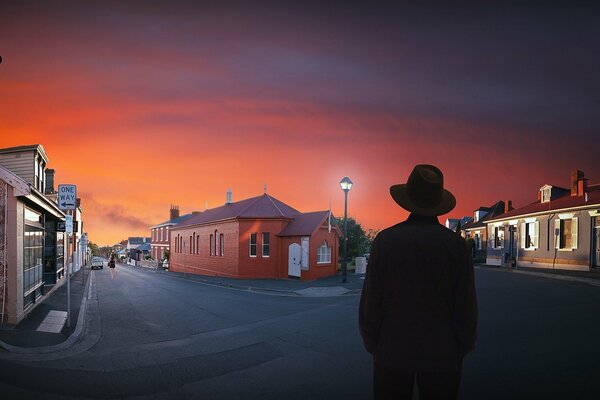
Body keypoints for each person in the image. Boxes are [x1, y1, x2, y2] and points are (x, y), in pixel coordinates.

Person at [359, 164, 478, 400]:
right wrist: (461, 346)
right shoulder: (456, 246)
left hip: (391, 351)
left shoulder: (385, 241)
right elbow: (465, 306)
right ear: (438, 201)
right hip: (442, 355)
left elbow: (371, 301)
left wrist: (374, 343)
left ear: (408, 199)